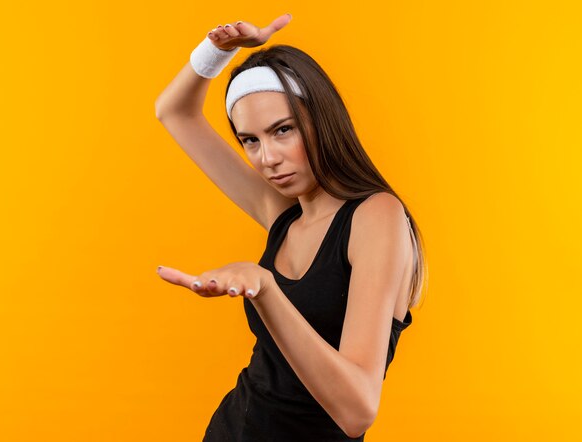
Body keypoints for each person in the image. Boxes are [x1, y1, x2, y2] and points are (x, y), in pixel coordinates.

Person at [154, 14, 427, 441]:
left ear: (321, 120)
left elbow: (357, 411)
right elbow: (173, 112)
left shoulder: (377, 216)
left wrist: (265, 287)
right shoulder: (284, 213)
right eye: (250, 140)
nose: (267, 158)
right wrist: (220, 50)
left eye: (283, 131)